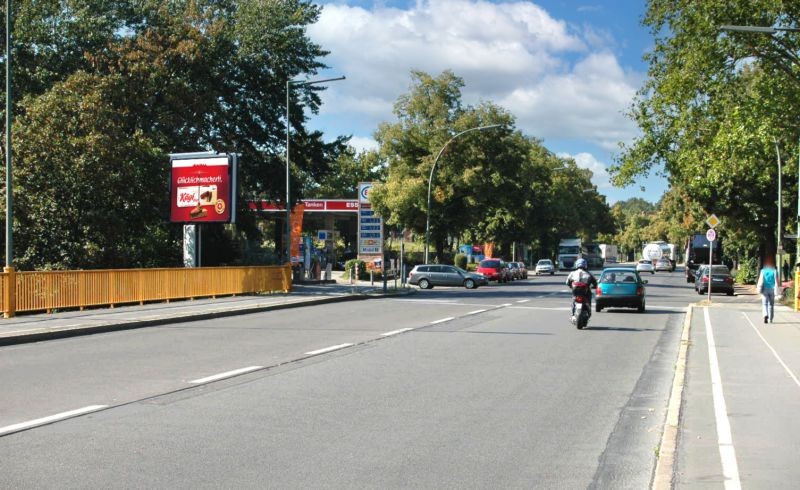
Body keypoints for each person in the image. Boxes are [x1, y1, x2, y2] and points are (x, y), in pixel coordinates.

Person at [757, 257, 779, 324]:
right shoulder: (774, 271)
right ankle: (771, 319)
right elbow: (777, 281)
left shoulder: (763, 271)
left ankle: (765, 315)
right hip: (772, 289)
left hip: (765, 289)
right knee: (771, 305)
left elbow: (760, 280)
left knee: (764, 304)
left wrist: (759, 288)